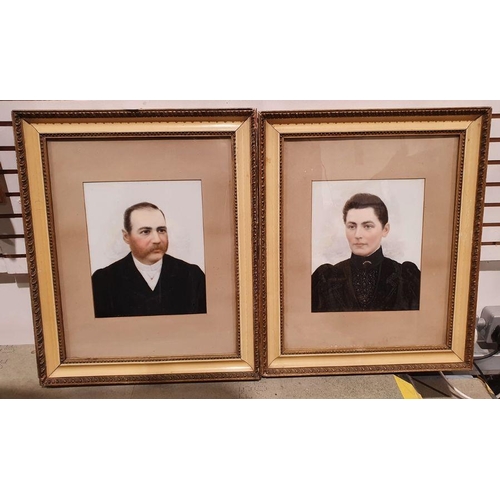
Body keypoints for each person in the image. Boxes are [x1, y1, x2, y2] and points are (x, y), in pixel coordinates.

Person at [91, 202, 207, 318]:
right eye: (145, 232)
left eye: (161, 230)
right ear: (126, 237)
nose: (157, 240)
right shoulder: (103, 281)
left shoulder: (192, 275)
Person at [311, 193, 420, 312]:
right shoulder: (326, 279)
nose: (357, 235)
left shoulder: (406, 278)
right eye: (352, 226)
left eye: (367, 226)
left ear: (385, 229)